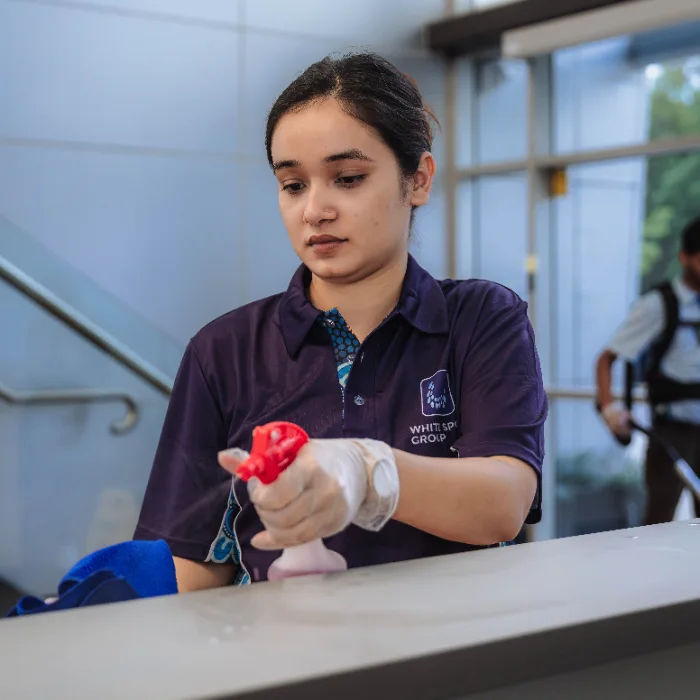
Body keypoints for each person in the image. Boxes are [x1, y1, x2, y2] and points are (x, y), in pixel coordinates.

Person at [134, 51, 548, 592]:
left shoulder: (481, 320)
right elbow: (191, 566)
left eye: (348, 178)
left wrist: (367, 471)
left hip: (456, 655)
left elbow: (503, 503)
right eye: (293, 185)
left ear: (417, 179)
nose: (315, 210)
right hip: (291, 659)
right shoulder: (224, 352)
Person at [596, 216, 700, 525]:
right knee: (660, 525)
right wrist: (610, 409)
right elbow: (606, 359)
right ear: (685, 257)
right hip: (672, 433)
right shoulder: (659, 304)